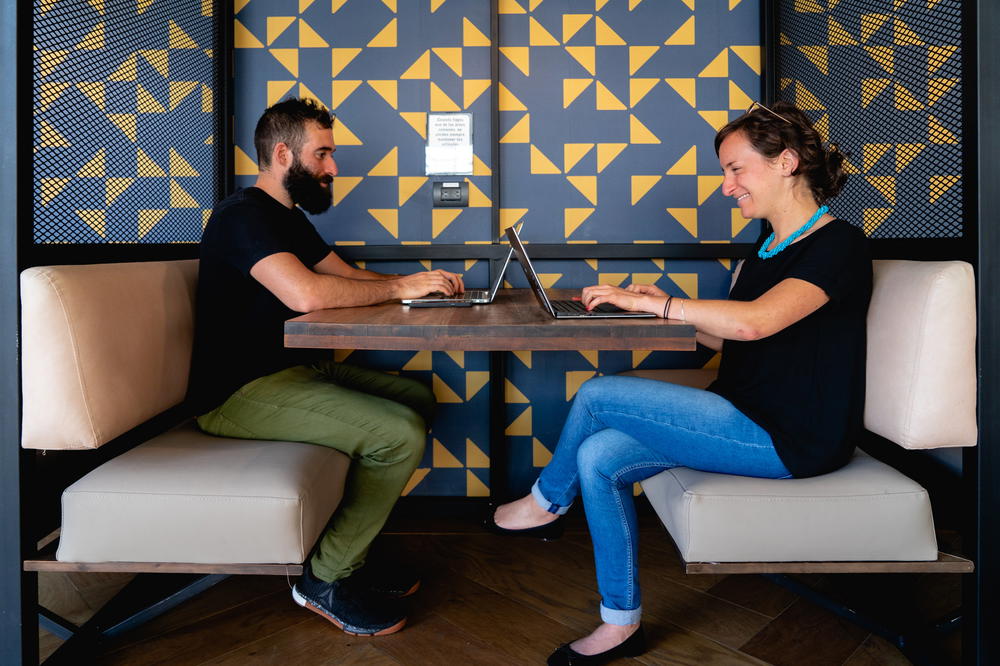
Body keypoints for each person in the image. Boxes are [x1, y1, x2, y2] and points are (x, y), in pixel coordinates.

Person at [485, 101, 872, 665]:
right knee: (597, 457)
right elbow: (730, 341)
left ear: (787, 161)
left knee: (597, 394)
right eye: (725, 173)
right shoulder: (765, 250)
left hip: (793, 436)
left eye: (736, 169)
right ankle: (620, 624)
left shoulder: (840, 245)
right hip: (740, 413)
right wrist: (643, 308)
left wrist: (666, 305)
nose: (726, 186)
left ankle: (545, 504)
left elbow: (752, 321)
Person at [187, 97, 465, 637]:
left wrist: (423, 286)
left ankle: (350, 550)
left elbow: (347, 275)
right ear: (284, 154)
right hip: (238, 393)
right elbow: (307, 295)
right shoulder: (240, 217)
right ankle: (326, 578)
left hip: (297, 374)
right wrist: (402, 288)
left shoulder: (285, 219)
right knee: (399, 433)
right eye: (325, 154)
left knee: (419, 399)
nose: (333, 168)